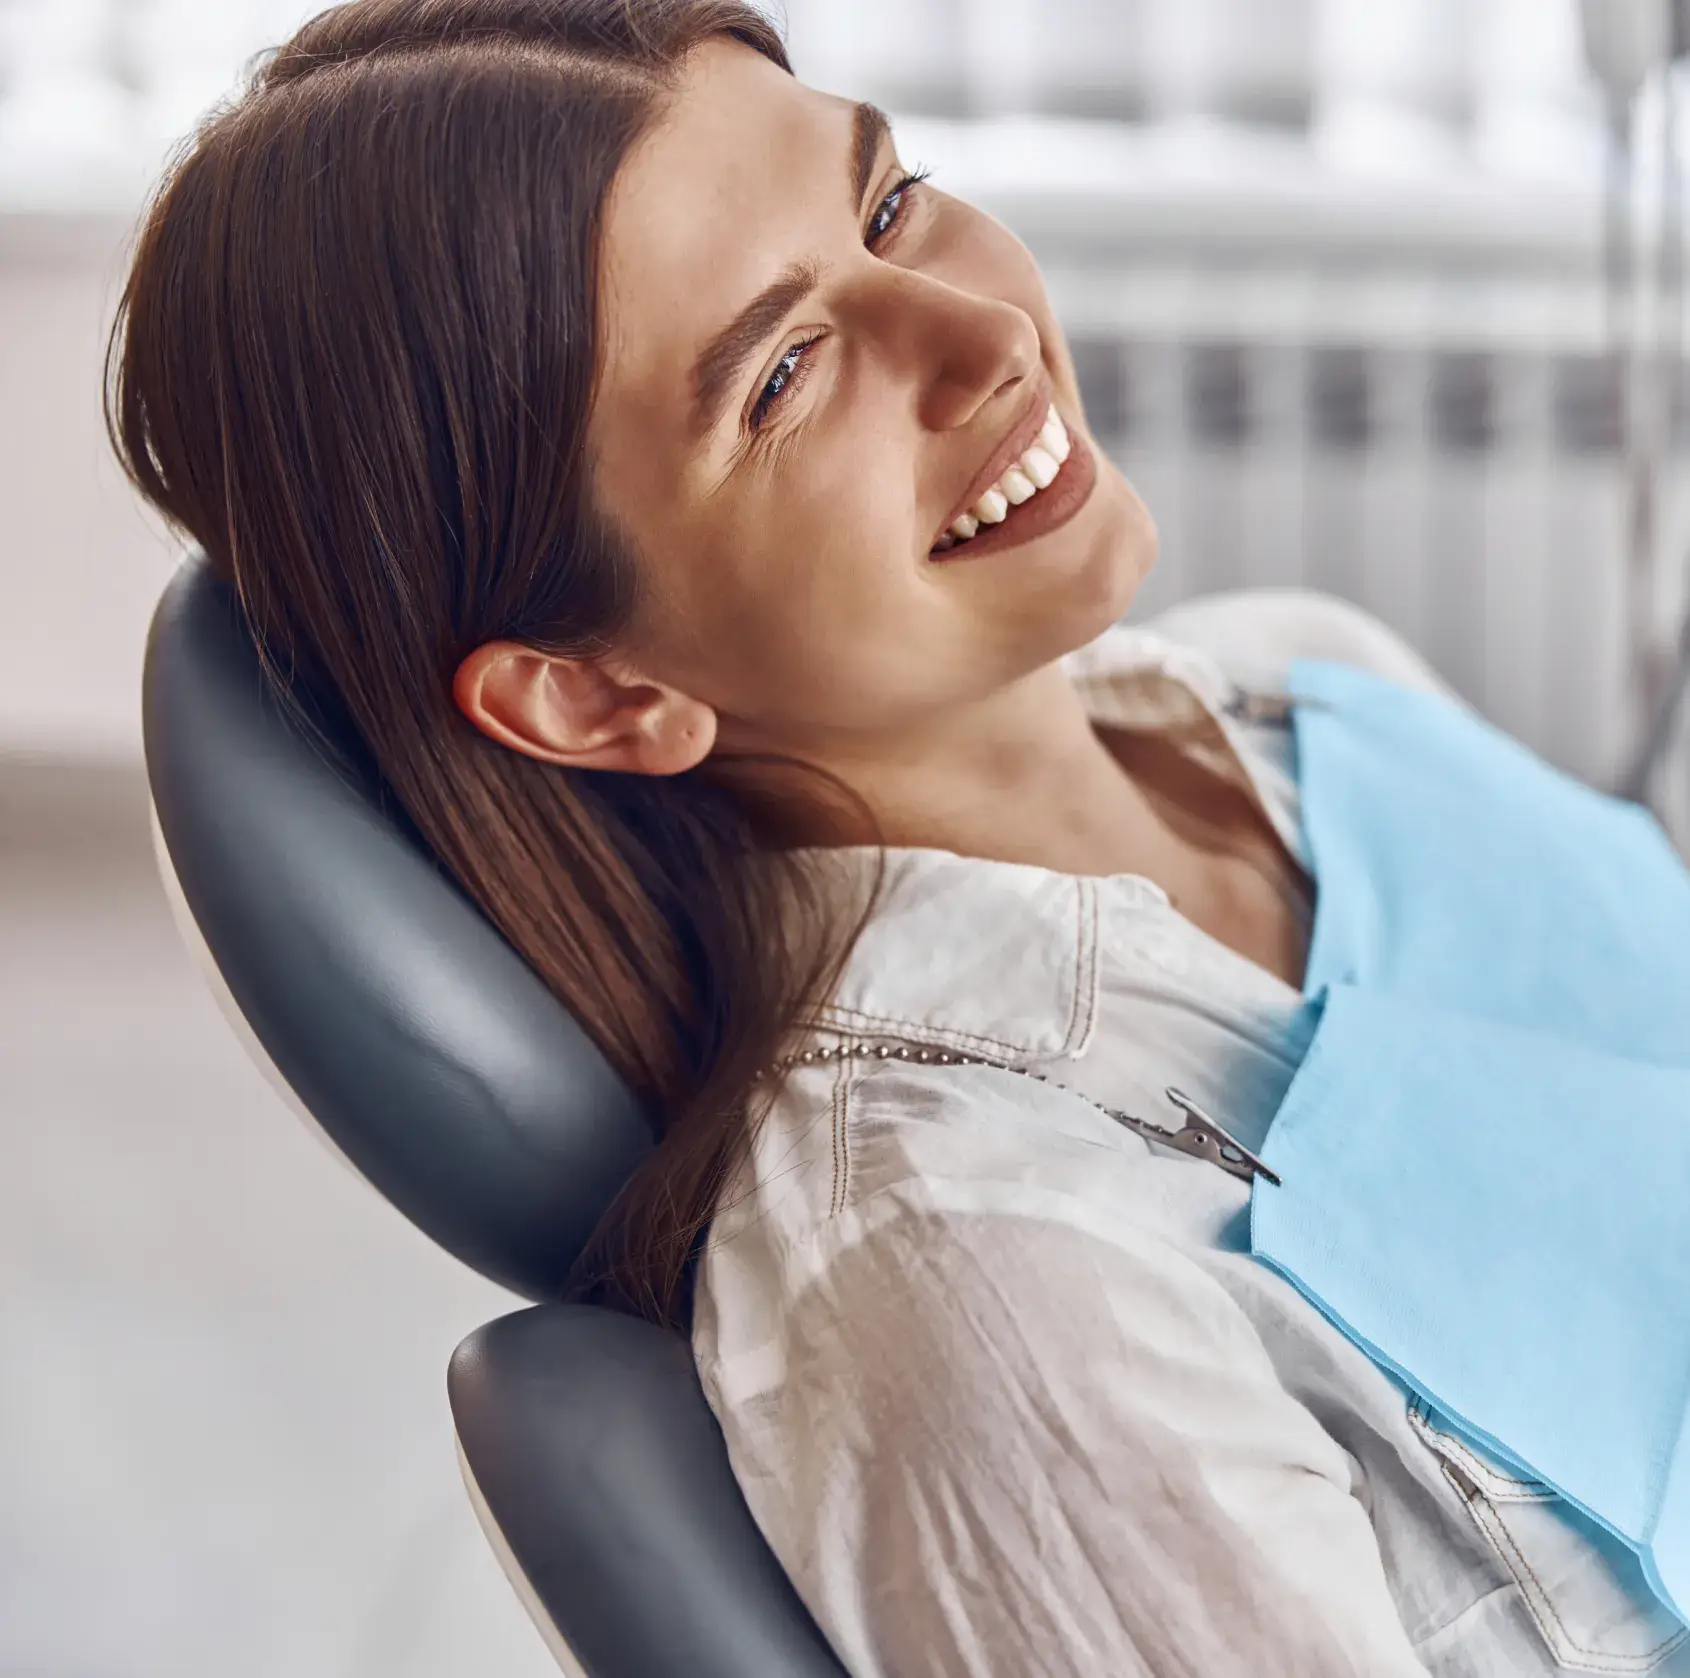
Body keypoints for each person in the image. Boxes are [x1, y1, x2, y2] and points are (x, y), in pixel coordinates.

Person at [106, 1, 1690, 1672]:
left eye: (886, 204)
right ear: (591, 695)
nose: (975, 332)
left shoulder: (1304, 687)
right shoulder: (979, 1279)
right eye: (782, 375)